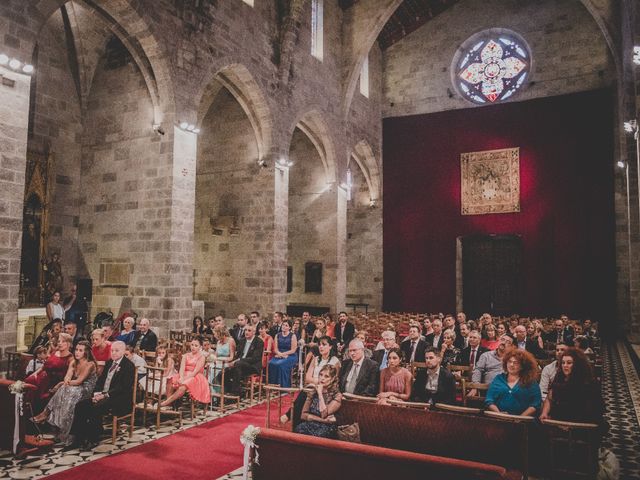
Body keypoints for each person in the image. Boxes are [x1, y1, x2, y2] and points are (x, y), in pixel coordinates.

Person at [70, 341, 135, 450]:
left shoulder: (128, 366)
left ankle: (93, 438)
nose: (113, 353)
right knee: (80, 405)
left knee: (96, 408)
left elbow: (123, 387)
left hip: (118, 398)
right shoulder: (109, 362)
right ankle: (78, 438)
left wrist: (105, 395)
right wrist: (97, 393)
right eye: (112, 350)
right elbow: (100, 380)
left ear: (123, 352)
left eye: (117, 351)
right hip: (103, 395)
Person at [31, 341, 98, 445]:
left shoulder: (90, 364)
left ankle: (46, 413)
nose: (77, 352)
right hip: (74, 388)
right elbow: (67, 377)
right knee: (66, 391)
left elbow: (79, 381)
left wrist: (62, 383)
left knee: (66, 389)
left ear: (86, 352)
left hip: (86, 389)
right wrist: (65, 382)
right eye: (76, 349)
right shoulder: (73, 362)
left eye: (80, 350)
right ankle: (62, 431)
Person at [540, 348, 604, 425]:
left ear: (577, 364)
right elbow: (549, 398)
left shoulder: (588, 383)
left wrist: (568, 424)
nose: (565, 365)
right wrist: (544, 412)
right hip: (558, 421)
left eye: (569, 363)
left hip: (580, 424)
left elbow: (591, 410)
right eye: (563, 363)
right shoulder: (559, 377)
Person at [25, 332, 74, 414]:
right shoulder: (55, 352)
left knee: (41, 396)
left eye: (63, 341)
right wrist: (36, 373)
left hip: (54, 382)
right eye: (59, 341)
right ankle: (28, 411)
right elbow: (45, 365)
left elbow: (68, 376)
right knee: (30, 380)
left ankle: (38, 414)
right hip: (43, 376)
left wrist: (58, 385)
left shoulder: (70, 358)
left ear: (69, 344)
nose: (60, 343)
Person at [485, 349, 541, 416]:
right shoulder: (499, 378)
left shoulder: (530, 381)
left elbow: (536, 403)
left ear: (522, 366)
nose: (511, 365)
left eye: (516, 363)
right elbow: (489, 400)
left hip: (522, 422)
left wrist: (520, 417)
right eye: (509, 361)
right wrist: (498, 413)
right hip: (498, 418)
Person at [294, 365, 343, 439]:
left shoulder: (337, 395)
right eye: (321, 375)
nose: (322, 378)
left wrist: (320, 394)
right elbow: (303, 415)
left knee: (318, 435)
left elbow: (324, 414)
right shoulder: (313, 391)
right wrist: (323, 420)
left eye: (326, 376)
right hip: (314, 423)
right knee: (299, 429)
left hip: (327, 427)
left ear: (332, 379)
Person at [163, 338, 211, 407]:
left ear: (200, 347)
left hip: (195, 377)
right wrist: (181, 377)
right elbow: (182, 368)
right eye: (192, 345)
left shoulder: (201, 357)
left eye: (196, 345)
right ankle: (169, 405)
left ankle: (166, 402)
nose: (193, 347)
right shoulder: (186, 355)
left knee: (185, 384)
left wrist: (184, 379)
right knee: (170, 379)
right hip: (184, 374)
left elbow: (195, 372)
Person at [220, 324, 264, 395]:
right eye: (245, 330)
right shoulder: (242, 340)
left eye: (249, 330)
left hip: (252, 366)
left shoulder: (259, 342)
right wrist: (232, 361)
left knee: (238, 364)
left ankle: (235, 392)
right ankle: (230, 390)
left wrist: (238, 360)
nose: (246, 332)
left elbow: (255, 358)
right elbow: (237, 355)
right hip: (240, 366)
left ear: (254, 332)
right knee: (224, 372)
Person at [268, 320, 299, 388]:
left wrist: (283, 354)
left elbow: (293, 350)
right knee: (270, 363)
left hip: (291, 355)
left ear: (289, 328)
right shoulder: (277, 335)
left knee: (280, 364)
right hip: (279, 354)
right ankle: (273, 384)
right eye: (283, 325)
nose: (284, 327)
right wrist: (279, 353)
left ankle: (283, 386)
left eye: (286, 325)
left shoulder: (292, 336)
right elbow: (275, 348)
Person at [209, 326, 236, 393]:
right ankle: (211, 391)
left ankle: (218, 392)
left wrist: (220, 359)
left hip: (227, 363)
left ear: (219, 333)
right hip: (218, 362)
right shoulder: (218, 342)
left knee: (214, 368)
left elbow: (231, 357)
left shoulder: (230, 341)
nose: (214, 335)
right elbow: (216, 355)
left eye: (215, 333)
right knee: (210, 367)